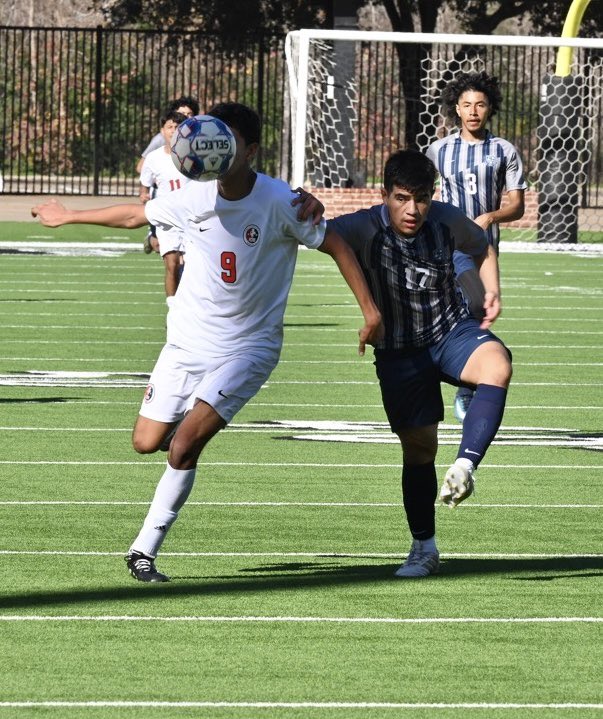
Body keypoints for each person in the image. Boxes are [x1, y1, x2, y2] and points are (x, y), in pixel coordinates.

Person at [32, 102, 384, 584]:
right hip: (186, 343)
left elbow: (336, 245)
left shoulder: (282, 201)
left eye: (227, 140)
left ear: (251, 149)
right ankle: (186, 434)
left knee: (183, 446)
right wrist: (67, 215)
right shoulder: (193, 195)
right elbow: (136, 215)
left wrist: (370, 311)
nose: (212, 147)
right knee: (146, 442)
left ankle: (143, 551)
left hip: (248, 348)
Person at [327, 149, 512, 579]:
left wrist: (493, 291)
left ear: (433, 196)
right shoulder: (360, 226)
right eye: (401, 198)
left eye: (422, 199)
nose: (413, 210)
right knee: (419, 451)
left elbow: (482, 246)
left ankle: (466, 465)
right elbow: (318, 235)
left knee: (497, 364)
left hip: (450, 332)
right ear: (384, 194)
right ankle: (424, 547)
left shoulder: (446, 221)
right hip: (398, 351)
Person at [426, 71, 525, 422]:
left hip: (483, 251)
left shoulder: (504, 151)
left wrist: (491, 216)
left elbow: (518, 205)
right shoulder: (438, 150)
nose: (473, 111)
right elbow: (422, 193)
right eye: (466, 105)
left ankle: (466, 383)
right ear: (456, 108)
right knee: (459, 311)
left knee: (476, 314)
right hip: (444, 248)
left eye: (480, 104)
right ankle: (458, 380)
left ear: (490, 109)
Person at [138, 96, 200, 254]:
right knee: (170, 257)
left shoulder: (201, 140)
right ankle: (153, 233)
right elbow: (142, 166)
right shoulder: (162, 139)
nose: (186, 118)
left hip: (191, 205)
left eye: (190, 114)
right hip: (165, 196)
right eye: (182, 114)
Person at [139, 110, 189, 298]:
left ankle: (190, 306)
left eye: (178, 127)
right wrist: (144, 196)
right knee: (172, 263)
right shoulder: (154, 158)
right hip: (167, 218)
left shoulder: (194, 156)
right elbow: (144, 186)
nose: (173, 131)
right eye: (170, 127)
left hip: (191, 217)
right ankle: (173, 309)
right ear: (162, 131)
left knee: (191, 266)